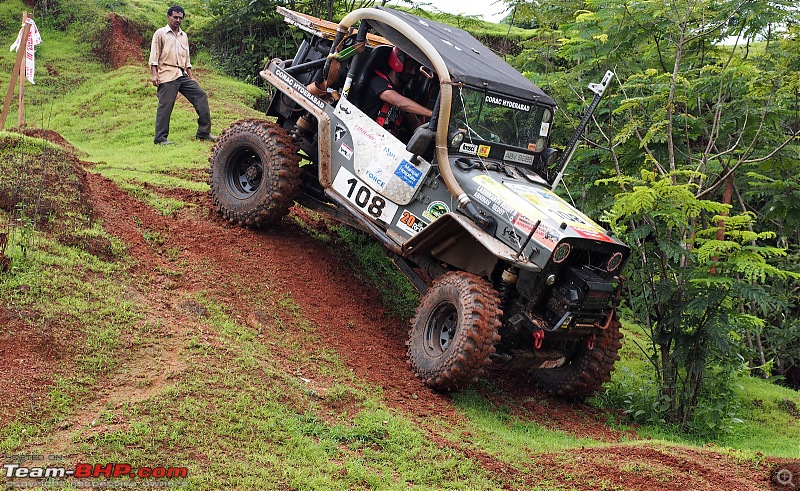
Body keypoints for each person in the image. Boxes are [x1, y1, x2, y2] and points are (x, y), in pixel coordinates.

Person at [149, 5, 216, 145]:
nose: (177, 20)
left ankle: (203, 132)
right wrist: (154, 75)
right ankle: (160, 138)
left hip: (181, 73)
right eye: (175, 17)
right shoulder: (160, 33)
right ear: (168, 17)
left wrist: (191, 77)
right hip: (166, 73)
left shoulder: (183, 35)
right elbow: (154, 56)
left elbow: (187, 59)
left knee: (200, 95)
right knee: (166, 105)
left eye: (180, 18)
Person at [361, 47, 433, 137]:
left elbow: (414, 123)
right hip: (369, 136)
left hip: (389, 142)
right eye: (410, 67)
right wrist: (433, 114)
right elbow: (401, 103)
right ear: (398, 64)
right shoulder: (379, 83)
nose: (413, 72)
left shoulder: (405, 93)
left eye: (415, 68)